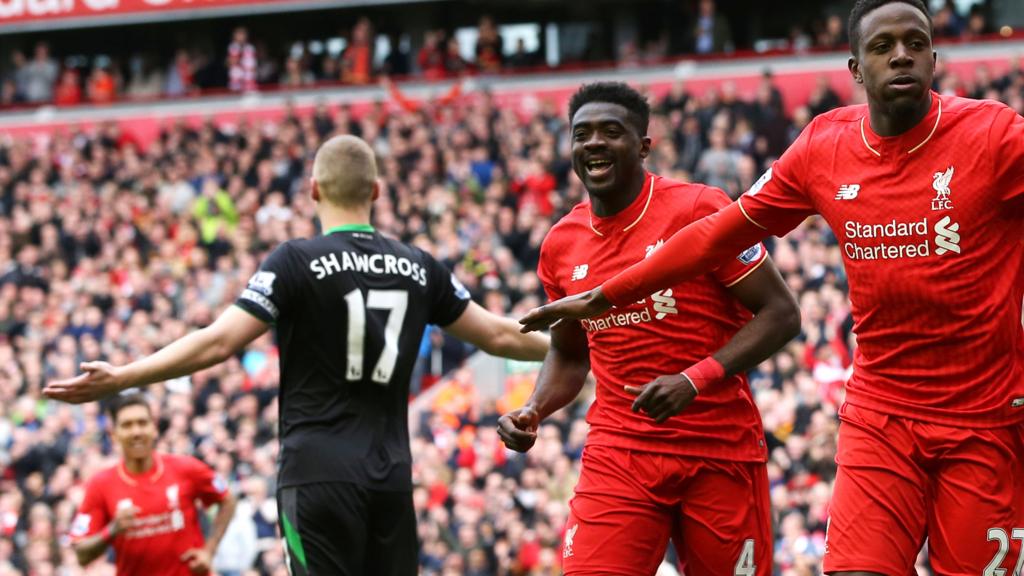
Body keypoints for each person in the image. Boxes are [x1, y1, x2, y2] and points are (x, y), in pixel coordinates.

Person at [519, 2, 1024, 575]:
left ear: (936, 57)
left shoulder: (995, 135)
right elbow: (717, 236)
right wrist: (601, 299)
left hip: (986, 416)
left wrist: (693, 372)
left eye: (915, 42)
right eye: (882, 46)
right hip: (881, 413)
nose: (901, 55)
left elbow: (777, 307)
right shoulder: (823, 147)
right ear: (856, 68)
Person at [45, 134, 549, 576]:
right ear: (375, 191)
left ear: (313, 190)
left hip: (316, 475)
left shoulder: (295, 261)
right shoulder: (420, 266)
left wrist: (124, 376)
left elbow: (220, 340)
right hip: (391, 475)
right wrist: (595, 345)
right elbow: (503, 335)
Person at [498, 82, 800, 576]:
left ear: (643, 146)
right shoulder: (560, 245)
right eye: (582, 134)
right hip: (620, 452)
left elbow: (782, 313)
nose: (593, 142)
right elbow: (572, 355)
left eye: (611, 132)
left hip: (718, 451)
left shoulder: (699, 209)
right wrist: (536, 408)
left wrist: (694, 379)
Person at [69, 392, 237, 575]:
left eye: (142, 423)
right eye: (127, 425)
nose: (136, 432)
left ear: (154, 428)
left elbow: (227, 500)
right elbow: (81, 554)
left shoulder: (186, 468)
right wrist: (112, 530)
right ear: (114, 435)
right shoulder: (101, 484)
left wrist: (209, 551)